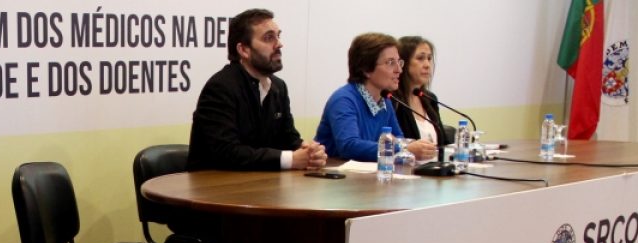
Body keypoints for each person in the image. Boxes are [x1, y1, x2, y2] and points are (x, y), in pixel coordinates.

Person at [187, 8, 326, 171]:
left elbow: (288, 138)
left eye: (278, 36)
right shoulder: (221, 88)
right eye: (269, 38)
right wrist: (291, 160)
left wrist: (309, 152)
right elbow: (227, 152)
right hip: (213, 183)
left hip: (260, 183)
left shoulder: (278, 87)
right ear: (244, 50)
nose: (279, 44)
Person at [314, 33, 436, 162]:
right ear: (366, 69)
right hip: (334, 172)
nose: (399, 70)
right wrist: (404, 149)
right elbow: (349, 146)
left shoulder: (385, 100)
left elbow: (398, 138)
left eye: (399, 62)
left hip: (369, 172)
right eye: (390, 63)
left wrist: (407, 146)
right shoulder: (343, 100)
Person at [394, 36, 451, 148]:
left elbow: (443, 143)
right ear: (403, 62)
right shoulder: (393, 101)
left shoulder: (430, 99)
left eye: (429, 59)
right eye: (420, 58)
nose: (427, 65)